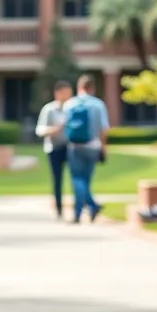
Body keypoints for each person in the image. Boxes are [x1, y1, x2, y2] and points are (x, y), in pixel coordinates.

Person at [63, 74, 110, 223]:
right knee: (86, 181)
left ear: (79, 87)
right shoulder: (98, 104)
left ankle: (79, 213)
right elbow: (103, 130)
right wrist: (104, 148)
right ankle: (91, 207)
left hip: (75, 146)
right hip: (93, 146)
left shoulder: (70, 104)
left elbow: (65, 126)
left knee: (77, 179)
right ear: (92, 88)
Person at [35, 80, 73, 219]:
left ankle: (78, 208)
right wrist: (54, 130)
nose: (67, 96)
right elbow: (40, 130)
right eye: (64, 93)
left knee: (74, 178)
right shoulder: (49, 109)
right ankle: (59, 208)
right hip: (54, 148)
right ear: (57, 93)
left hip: (70, 147)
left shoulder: (73, 108)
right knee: (57, 179)